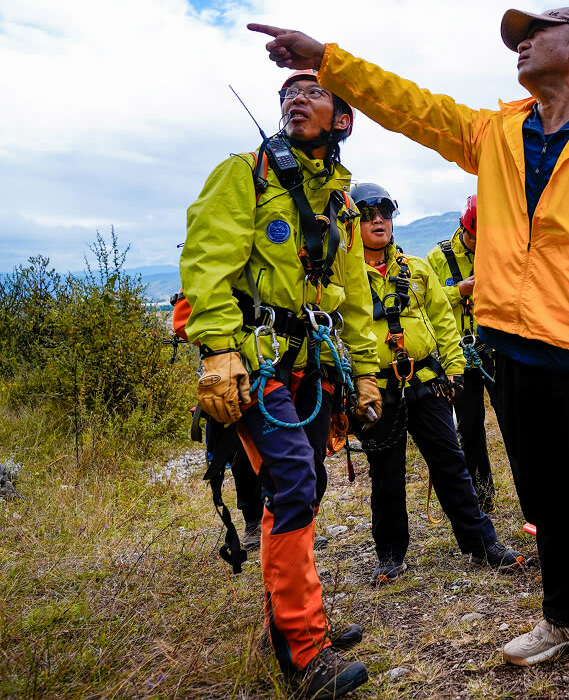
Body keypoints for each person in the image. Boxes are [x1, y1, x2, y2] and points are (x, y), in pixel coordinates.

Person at [249, 5, 569, 700]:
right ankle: (567, 618)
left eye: (531, 34)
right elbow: (410, 106)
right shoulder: (497, 131)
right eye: (516, 38)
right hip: (512, 346)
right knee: (543, 496)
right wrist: (326, 59)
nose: (518, 44)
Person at [180, 70, 383, 698]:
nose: (296, 98)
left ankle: (292, 620)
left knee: (309, 482)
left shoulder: (342, 205)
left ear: (342, 121)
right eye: (288, 94)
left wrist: (366, 372)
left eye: (313, 92)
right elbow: (207, 260)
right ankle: (304, 652)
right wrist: (217, 352)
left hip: (312, 364)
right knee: (293, 484)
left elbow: (351, 295)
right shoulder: (246, 173)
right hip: (255, 359)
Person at [349, 181, 526, 582]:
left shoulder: (417, 269)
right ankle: (391, 555)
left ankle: (482, 543)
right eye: (367, 215)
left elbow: (444, 323)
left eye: (385, 214)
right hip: (375, 388)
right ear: (352, 224)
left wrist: (455, 368)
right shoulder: (343, 278)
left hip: (427, 382)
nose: (378, 221)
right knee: (386, 473)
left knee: (451, 463)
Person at [425, 194, 498, 512]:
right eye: (472, 237)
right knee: (469, 426)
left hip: (496, 353)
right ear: (461, 228)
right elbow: (426, 301)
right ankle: (483, 495)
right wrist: (460, 291)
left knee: (516, 421)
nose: (476, 244)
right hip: (461, 355)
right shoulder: (437, 258)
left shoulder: (496, 249)